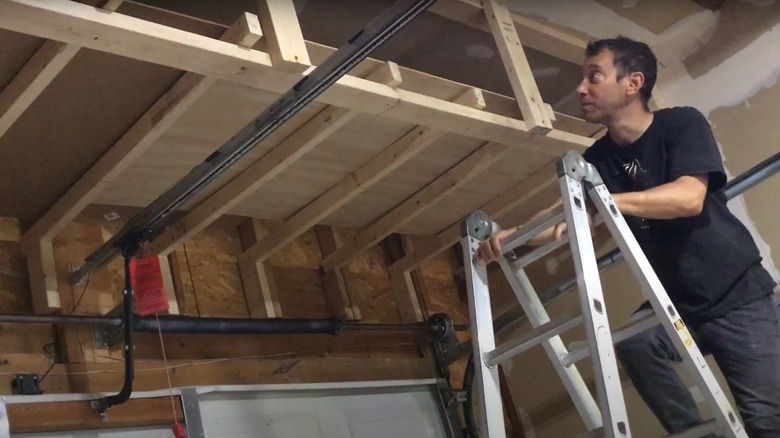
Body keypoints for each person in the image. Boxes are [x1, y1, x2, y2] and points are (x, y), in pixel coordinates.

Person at [475, 36, 780, 437]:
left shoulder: (680, 123)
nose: (581, 89)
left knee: (766, 422)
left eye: (594, 77)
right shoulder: (597, 160)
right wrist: (509, 237)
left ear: (633, 83)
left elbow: (689, 197)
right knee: (637, 345)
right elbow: (564, 216)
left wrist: (607, 200)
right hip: (675, 301)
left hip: (737, 295)